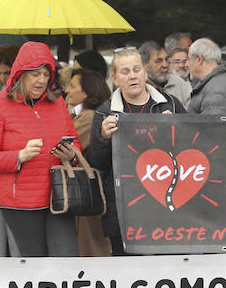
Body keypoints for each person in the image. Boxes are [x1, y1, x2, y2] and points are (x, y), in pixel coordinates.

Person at [0, 42, 82, 257]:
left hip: (59, 197)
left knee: (67, 259)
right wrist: (19, 156)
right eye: (35, 74)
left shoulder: (58, 103)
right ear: (20, 74)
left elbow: (76, 145)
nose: (42, 80)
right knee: (34, 264)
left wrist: (71, 155)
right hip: (21, 202)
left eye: (45, 74)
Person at [87, 49, 187, 254]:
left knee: (168, 270)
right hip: (125, 209)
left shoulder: (171, 104)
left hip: (166, 206)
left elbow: (194, 148)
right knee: (128, 272)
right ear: (114, 78)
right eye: (125, 71)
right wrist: (104, 138)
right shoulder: (104, 112)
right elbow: (96, 163)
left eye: (136, 69)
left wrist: (178, 129)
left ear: (145, 73)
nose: (132, 75)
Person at [62, 66, 114, 257]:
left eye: (73, 86)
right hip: (88, 190)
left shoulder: (89, 117)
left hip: (89, 190)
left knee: (91, 248)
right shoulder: (83, 114)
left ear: (86, 92)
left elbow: (63, 140)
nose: (67, 90)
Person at [186, 38, 226, 115]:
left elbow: (214, 125)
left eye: (189, 59)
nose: (187, 64)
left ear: (199, 59)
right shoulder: (218, 83)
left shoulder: (217, 90)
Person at [139, 40, 192, 104]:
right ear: (145, 65)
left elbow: (190, 112)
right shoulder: (137, 86)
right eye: (159, 61)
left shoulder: (180, 84)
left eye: (167, 60)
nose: (165, 65)